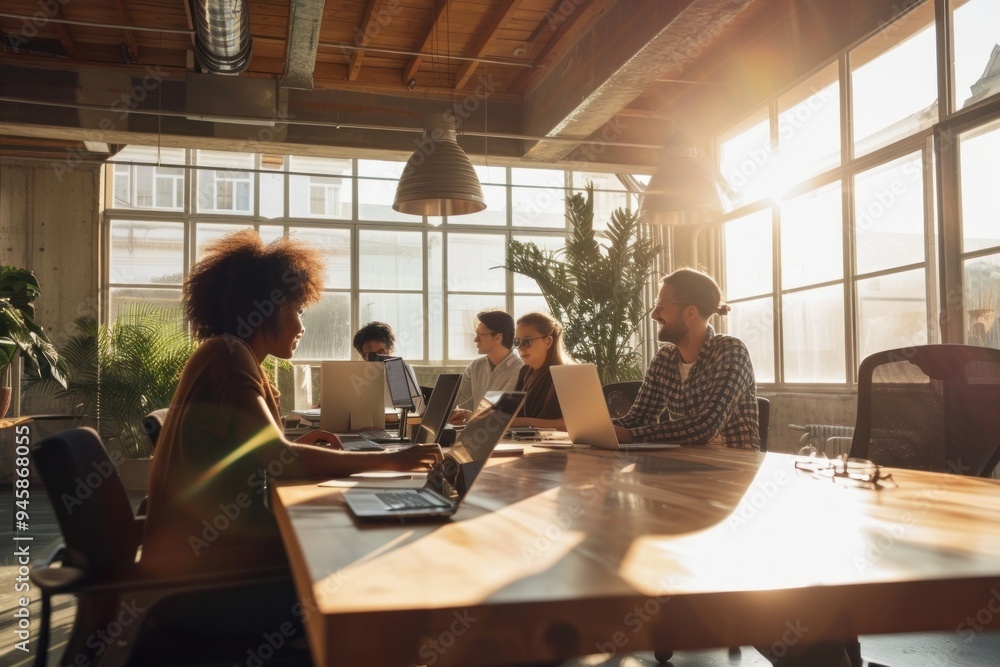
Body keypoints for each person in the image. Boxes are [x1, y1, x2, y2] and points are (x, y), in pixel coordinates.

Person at [144, 230, 441, 579]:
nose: (301, 325)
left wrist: (296, 447)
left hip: (216, 547)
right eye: (298, 309)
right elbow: (278, 461)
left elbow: (257, 454)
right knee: (374, 548)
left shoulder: (231, 354)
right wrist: (389, 461)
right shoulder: (229, 357)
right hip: (213, 566)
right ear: (268, 308)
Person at [612, 267, 759, 449]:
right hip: (686, 464)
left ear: (690, 313)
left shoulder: (731, 352)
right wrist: (587, 428)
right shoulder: (664, 359)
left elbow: (705, 425)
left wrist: (629, 436)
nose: (654, 314)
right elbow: (637, 419)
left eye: (661, 305)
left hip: (736, 468)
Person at [449, 310, 523, 424]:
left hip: (504, 437)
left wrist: (471, 416)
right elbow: (460, 403)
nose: (475, 339)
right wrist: (458, 413)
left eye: (481, 334)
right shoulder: (475, 367)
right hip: (472, 433)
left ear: (498, 338)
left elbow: (500, 413)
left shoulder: (520, 369)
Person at [508, 311, 569, 429]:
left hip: (556, 445)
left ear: (548, 342)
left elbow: (569, 423)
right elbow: (511, 414)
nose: (520, 348)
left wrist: (524, 422)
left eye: (526, 341)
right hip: (526, 442)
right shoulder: (524, 372)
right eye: (517, 342)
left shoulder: (566, 375)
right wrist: (475, 416)